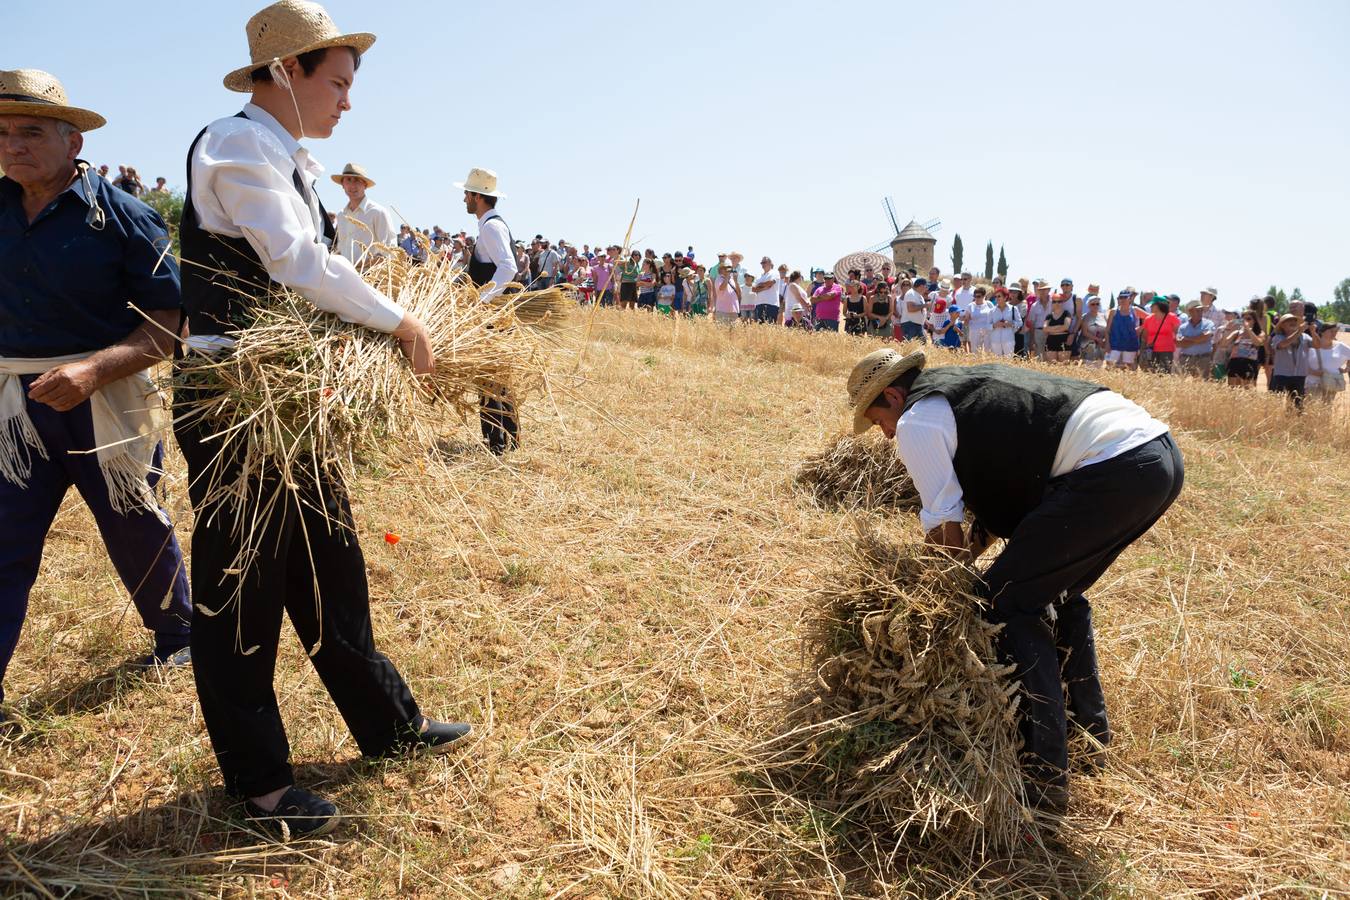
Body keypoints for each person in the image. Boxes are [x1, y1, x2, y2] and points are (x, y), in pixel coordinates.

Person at [177, 0, 470, 838]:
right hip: (236, 400)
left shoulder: (289, 157)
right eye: (336, 82)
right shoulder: (234, 144)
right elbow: (297, 263)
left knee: (330, 558)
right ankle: (262, 784)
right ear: (284, 73)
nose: (347, 101)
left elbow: (324, 262)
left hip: (290, 400)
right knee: (245, 585)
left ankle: (389, 727)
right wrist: (402, 322)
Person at [847, 347, 1182, 811]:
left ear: (892, 395)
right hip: (1154, 456)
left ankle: (1043, 778)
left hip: (1112, 468)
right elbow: (990, 522)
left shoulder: (917, 422)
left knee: (1006, 602)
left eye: (877, 419)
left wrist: (938, 597)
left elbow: (944, 530)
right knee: (1057, 592)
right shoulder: (966, 396)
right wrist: (964, 570)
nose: (884, 435)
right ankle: (1088, 737)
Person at [0, 69, 194, 711]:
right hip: (12, 407)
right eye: (2, 133)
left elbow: (170, 324)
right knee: (4, 538)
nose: (13, 145)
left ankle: (176, 635)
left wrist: (93, 372)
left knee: (135, 522)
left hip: (105, 402)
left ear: (73, 140)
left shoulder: (124, 218)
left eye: (30, 131)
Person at [456, 167, 521, 454]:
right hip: (494, 313)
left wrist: (482, 300)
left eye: (467, 194)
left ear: (477, 197)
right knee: (497, 376)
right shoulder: (489, 225)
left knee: (488, 376)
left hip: (491, 315)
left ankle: (497, 443)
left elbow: (509, 267)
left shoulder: (492, 227)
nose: (464, 200)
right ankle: (509, 439)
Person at [330, 162, 396, 269]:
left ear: (365, 185)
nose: (352, 185)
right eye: (348, 180)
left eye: (357, 180)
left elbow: (389, 251)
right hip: (344, 279)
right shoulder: (341, 216)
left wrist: (359, 266)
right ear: (342, 185)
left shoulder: (378, 212)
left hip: (371, 277)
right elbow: (340, 249)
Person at [1268, 314, 1312, 409]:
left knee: (1297, 405)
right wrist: (1299, 331)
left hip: (1299, 375)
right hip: (1282, 375)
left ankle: (1293, 422)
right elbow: (1283, 345)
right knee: (1277, 403)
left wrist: (1314, 332)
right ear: (1282, 325)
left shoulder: (1305, 337)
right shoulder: (1278, 337)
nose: (1293, 322)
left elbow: (1317, 346)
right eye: (1288, 320)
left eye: (1294, 320)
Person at [1174, 299, 1217, 379]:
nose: (1200, 313)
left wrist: (1186, 338)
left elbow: (1205, 337)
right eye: (1197, 310)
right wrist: (1199, 339)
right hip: (1186, 359)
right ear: (1190, 312)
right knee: (1185, 385)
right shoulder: (1183, 327)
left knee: (1202, 385)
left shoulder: (1208, 323)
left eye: (1201, 310)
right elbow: (1179, 343)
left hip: (1203, 359)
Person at [1306, 322, 1348, 399]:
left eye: (1336, 331)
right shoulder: (1310, 344)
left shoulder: (1340, 346)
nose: (1334, 333)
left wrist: (1347, 368)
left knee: (1327, 409)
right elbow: (1300, 362)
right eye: (1331, 331)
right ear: (1322, 332)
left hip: (1330, 384)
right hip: (1312, 383)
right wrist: (1312, 372)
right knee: (1311, 408)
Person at [1137, 297, 1178, 374]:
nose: (1150, 306)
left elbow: (1176, 332)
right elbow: (1145, 335)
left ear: (1159, 305)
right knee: (1151, 372)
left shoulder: (1172, 317)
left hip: (1167, 350)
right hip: (1152, 351)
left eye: (1153, 304)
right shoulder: (1148, 319)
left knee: (1165, 372)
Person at [1225, 311, 1265, 388]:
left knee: (1247, 390)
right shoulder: (1237, 332)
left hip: (1249, 363)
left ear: (1254, 321)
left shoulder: (1260, 333)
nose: (1245, 321)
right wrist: (1227, 329)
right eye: (1243, 319)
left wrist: (1248, 329)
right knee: (1232, 389)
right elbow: (1223, 344)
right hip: (1235, 362)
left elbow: (1258, 343)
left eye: (1248, 319)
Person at [1106, 289, 1143, 369]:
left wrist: (1141, 328)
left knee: (1128, 369)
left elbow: (1150, 317)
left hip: (1130, 345)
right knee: (1110, 367)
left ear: (1130, 299)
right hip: (1114, 344)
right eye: (1120, 297)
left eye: (1125, 297)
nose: (1122, 300)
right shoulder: (1113, 312)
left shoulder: (1135, 310)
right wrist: (1107, 343)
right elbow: (1107, 330)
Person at [1077, 296, 1109, 367]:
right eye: (1093, 304)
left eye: (1097, 304)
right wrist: (1098, 339)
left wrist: (1105, 341)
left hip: (1101, 346)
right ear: (1088, 305)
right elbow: (1085, 332)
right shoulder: (1085, 317)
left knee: (1098, 366)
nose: (1095, 306)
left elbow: (1107, 330)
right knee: (1088, 367)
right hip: (1088, 346)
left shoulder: (1104, 316)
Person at [988, 288, 1020, 358]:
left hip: (1009, 340)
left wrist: (1010, 324)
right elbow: (987, 326)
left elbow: (1020, 323)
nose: (996, 298)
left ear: (1005, 297)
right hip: (995, 341)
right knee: (996, 364)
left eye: (999, 296)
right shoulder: (991, 311)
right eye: (995, 296)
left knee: (1008, 364)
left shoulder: (1013, 309)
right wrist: (994, 325)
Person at [964, 286, 995, 354]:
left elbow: (994, 316)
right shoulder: (970, 306)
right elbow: (966, 320)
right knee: (975, 352)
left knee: (988, 351)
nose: (976, 298)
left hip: (987, 331)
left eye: (979, 296)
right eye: (975, 296)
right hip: (974, 332)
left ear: (984, 296)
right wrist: (965, 335)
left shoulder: (989, 304)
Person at [1042, 296, 1072, 363]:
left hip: (1063, 340)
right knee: (1052, 364)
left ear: (1062, 303)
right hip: (1051, 340)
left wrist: (1051, 329)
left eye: (1059, 301)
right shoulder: (1049, 316)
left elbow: (1066, 327)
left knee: (1064, 365)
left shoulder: (1066, 313)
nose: (1057, 303)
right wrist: (1060, 327)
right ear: (1051, 303)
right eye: (1054, 302)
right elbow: (1044, 329)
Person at [898, 277, 928, 342]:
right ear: (921, 286)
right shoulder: (911, 293)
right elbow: (911, 308)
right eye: (926, 286)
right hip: (910, 324)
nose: (926, 289)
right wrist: (925, 305)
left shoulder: (918, 295)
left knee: (921, 346)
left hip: (917, 325)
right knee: (910, 347)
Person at [752, 256, 780, 324]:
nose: (762, 264)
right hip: (759, 304)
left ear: (770, 263)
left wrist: (759, 285)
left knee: (770, 328)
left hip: (771, 304)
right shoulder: (759, 276)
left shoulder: (774, 273)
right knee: (761, 329)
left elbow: (770, 283)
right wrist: (764, 287)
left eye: (764, 262)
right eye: (761, 263)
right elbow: (753, 289)